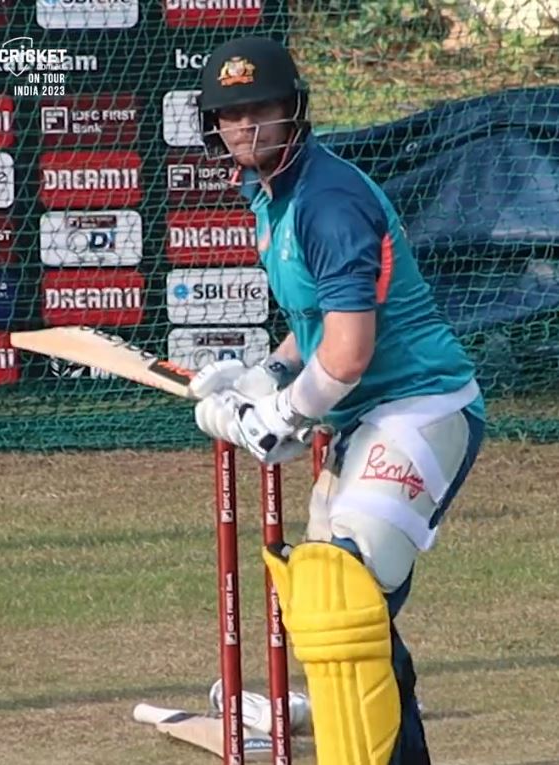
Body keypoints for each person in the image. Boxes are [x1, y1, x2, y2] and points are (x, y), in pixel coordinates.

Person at [188, 35, 486, 765]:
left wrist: (284, 414)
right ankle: (357, 723)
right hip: (365, 415)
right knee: (333, 608)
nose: (245, 128)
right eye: (230, 115)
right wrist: (263, 372)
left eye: (260, 110)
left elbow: (349, 352)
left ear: (294, 112)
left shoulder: (327, 201)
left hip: (424, 405)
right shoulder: (269, 196)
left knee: (346, 589)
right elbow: (316, 329)